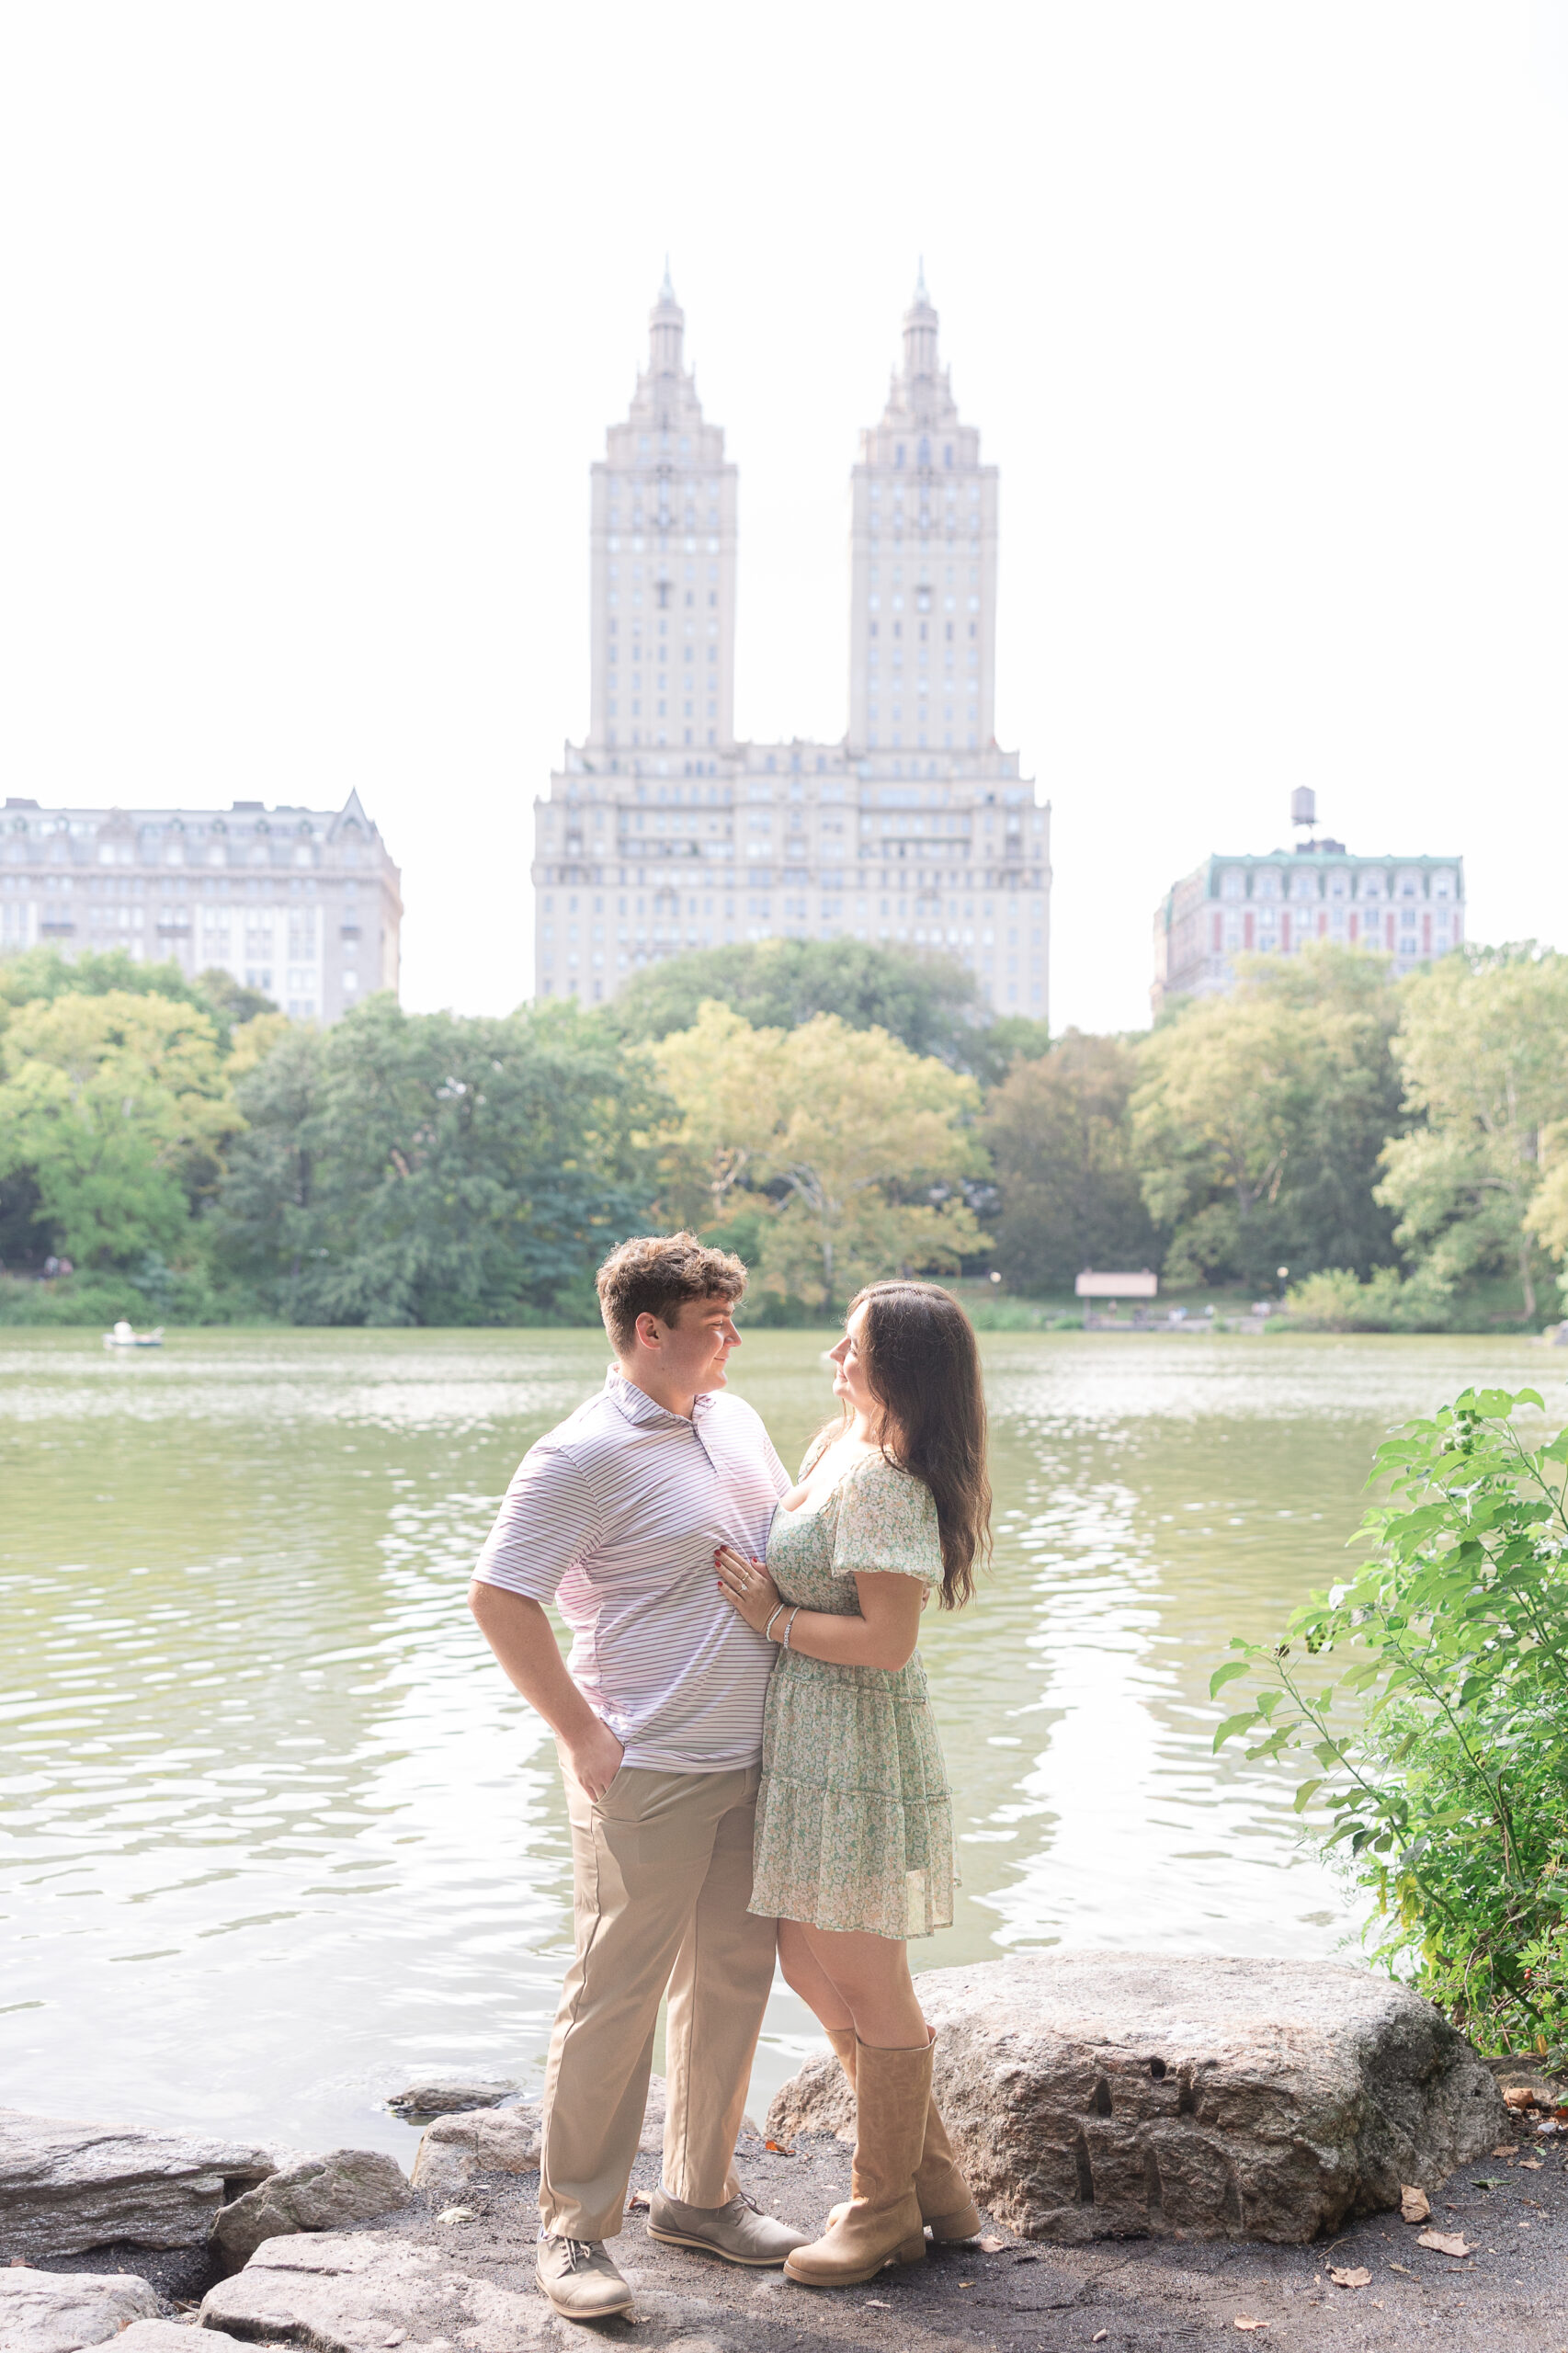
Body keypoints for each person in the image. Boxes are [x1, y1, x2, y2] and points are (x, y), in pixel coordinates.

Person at [469, 1233, 809, 2322]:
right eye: (713, 1326)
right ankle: (571, 2228)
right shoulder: (577, 1456)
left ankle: (698, 2198)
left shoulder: (737, 1418)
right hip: (644, 1765)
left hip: (751, 1760)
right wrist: (580, 1733)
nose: (733, 1341)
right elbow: (498, 1597)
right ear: (646, 1331)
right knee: (611, 1998)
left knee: (728, 1982)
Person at [714, 1279, 990, 2290]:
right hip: (807, 1744)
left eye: (853, 1346)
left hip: (856, 1748)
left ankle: (881, 2213)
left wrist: (769, 1621)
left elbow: (888, 1639)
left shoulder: (884, 1477)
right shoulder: (841, 1445)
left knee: (868, 1980)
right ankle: (937, 2186)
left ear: (899, 1369)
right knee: (804, 1958)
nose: (834, 1358)